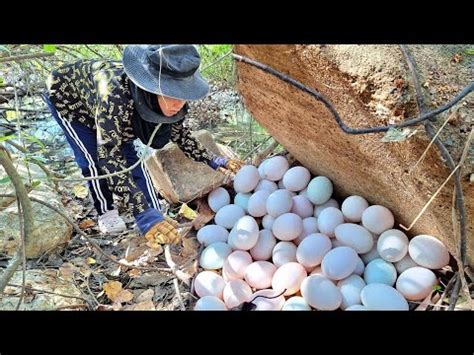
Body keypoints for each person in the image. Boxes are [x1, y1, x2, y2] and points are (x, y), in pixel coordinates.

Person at [43, 44, 242, 244]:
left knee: (131, 157)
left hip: (114, 113)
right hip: (70, 101)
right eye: (172, 94)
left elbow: (180, 134)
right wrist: (142, 214)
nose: (178, 104)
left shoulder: (171, 103)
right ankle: (107, 212)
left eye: (183, 95)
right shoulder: (114, 97)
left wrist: (214, 160)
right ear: (152, 88)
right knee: (92, 159)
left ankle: (154, 209)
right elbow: (109, 156)